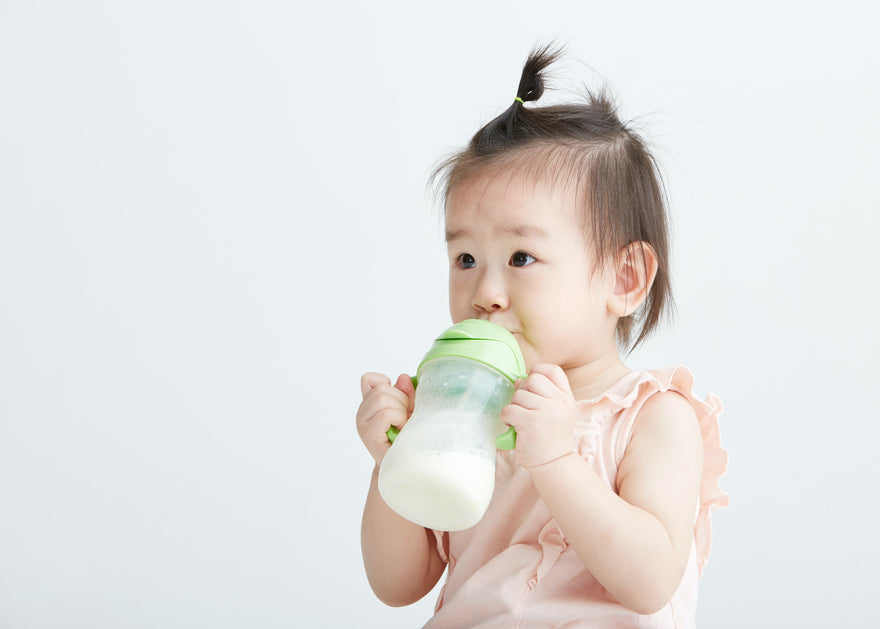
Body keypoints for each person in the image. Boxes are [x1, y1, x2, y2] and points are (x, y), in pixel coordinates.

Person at [355, 44, 729, 628]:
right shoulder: (461, 412)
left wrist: (556, 459)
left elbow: (650, 580)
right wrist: (390, 465)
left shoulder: (654, 419)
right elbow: (397, 585)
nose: (486, 292)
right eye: (466, 258)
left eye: (522, 256)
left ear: (624, 278)